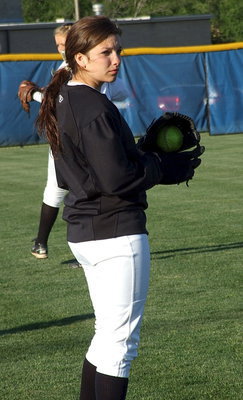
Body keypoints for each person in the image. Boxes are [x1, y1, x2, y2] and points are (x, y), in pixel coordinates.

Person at [36, 16, 202, 400]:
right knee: (119, 346)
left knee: (106, 336)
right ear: (79, 57)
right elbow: (115, 180)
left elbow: (72, 175)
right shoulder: (92, 105)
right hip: (115, 234)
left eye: (117, 51)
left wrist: (138, 152)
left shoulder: (64, 97)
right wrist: (161, 166)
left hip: (86, 231)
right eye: (105, 52)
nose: (115, 59)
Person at [18, 23, 129, 259]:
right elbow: (59, 100)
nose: (116, 59)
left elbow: (119, 92)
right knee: (67, 189)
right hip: (74, 138)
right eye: (58, 44)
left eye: (64, 43)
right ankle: (45, 242)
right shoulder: (69, 70)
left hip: (80, 137)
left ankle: (44, 242)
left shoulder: (77, 69)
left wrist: (36, 94)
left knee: (72, 189)